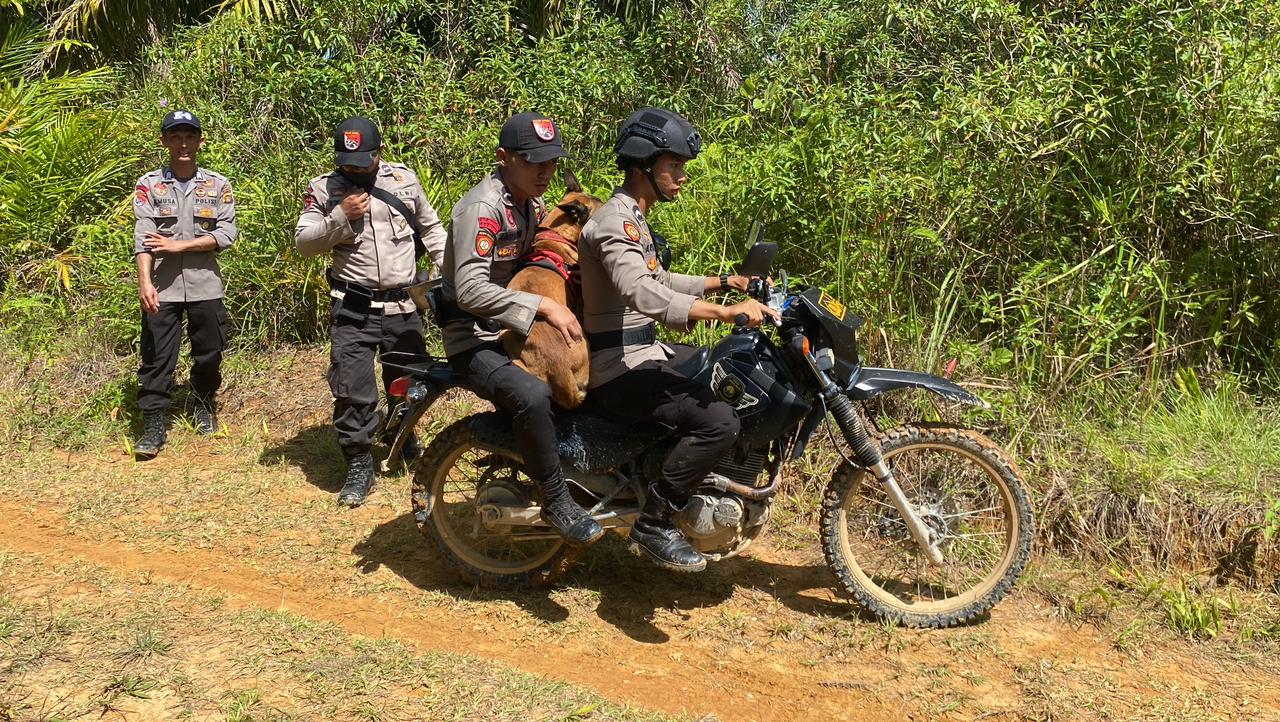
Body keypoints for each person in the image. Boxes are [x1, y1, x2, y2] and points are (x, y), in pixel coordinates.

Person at [578, 107, 778, 572]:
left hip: (644, 351)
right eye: (674, 166)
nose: (682, 177)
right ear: (642, 166)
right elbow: (640, 290)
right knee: (719, 423)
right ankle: (654, 521)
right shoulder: (614, 221)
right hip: (618, 365)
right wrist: (725, 312)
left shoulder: (633, 217)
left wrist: (726, 282)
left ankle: (690, 482)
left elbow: (659, 277)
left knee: (725, 375)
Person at [438, 111, 603, 546]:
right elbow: (471, 291)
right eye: (533, 162)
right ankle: (554, 498)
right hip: (475, 336)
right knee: (532, 395)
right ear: (504, 158)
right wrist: (543, 307)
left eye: (550, 163)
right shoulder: (483, 208)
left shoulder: (531, 204)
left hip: (515, 327)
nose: (544, 172)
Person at [295, 116, 447, 507]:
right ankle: (360, 462)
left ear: (379, 153)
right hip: (354, 308)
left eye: (363, 160)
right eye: (347, 160)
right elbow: (305, 243)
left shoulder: (403, 181)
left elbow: (431, 230)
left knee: (409, 381)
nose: (355, 168)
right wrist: (340, 215)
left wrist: (452, 274)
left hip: (403, 303)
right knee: (352, 390)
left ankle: (401, 434)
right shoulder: (323, 189)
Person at [131, 109, 237, 459]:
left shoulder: (218, 185)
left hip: (205, 284)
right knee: (157, 357)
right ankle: (153, 423)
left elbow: (226, 234)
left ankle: (203, 403)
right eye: (175, 137)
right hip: (162, 285)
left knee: (210, 353)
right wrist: (144, 282)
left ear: (200, 141)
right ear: (164, 142)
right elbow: (144, 237)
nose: (183, 144)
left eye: (190, 137)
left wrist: (180, 245)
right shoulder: (149, 185)